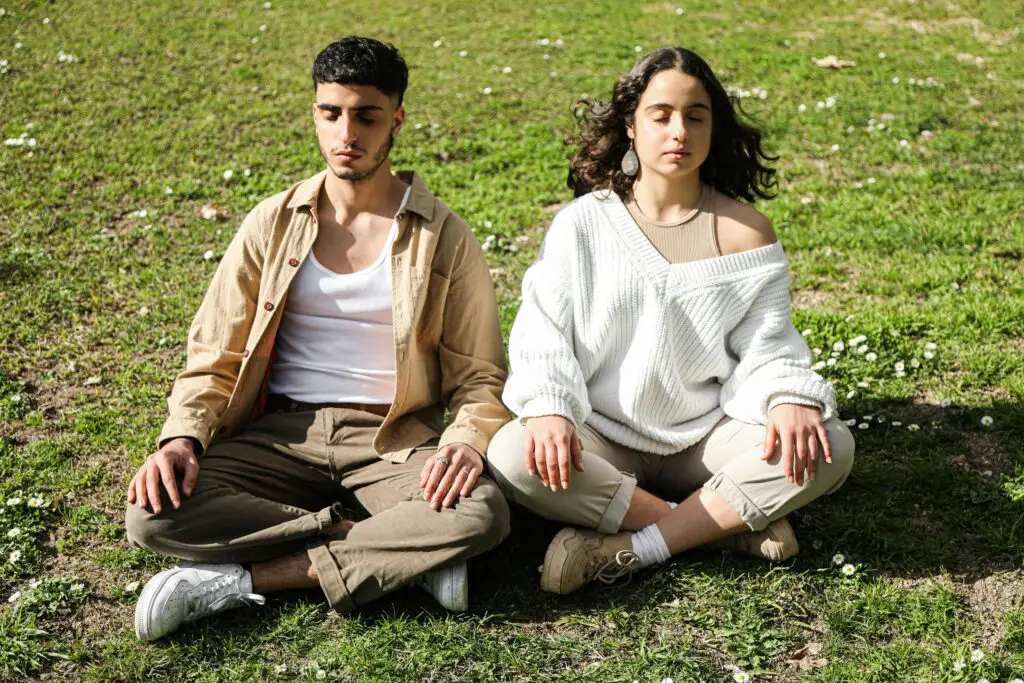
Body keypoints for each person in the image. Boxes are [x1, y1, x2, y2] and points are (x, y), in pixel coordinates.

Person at [125, 37, 510, 641]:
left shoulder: (446, 238)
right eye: (330, 113)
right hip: (279, 436)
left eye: (366, 115)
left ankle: (241, 582)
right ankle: (395, 553)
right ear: (315, 113)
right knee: (153, 514)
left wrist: (464, 442)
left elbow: (480, 372)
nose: (346, 132)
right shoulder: (272, 223)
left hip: (390, 441)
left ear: (397, 120)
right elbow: (215, 353)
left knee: (479, 513)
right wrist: (182, 438)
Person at [486, 47, 855, 595]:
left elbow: (768, 346)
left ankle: (631, 548)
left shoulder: (747, 232)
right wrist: (547, 409)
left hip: (704, 440)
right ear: (631, 127)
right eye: (661, 115)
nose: (678, 130)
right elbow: (542, 331)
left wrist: (787, 397)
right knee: (513, 454)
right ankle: (719, 527)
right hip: (601, 435)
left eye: (695, 116)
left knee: (831, 445)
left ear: (713, 127)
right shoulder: (581, 226)